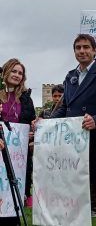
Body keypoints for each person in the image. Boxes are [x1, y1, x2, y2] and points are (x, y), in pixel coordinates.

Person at [48, 34, 96, 218]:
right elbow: (65, 106)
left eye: (86, 47)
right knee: (74, 189)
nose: (82, 51)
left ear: (94, 50)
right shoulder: (70, 76)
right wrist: (47, 122)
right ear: (74, 51)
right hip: (72, 143)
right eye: (78, 48)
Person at [0, 58, 36, 225]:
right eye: (14, 71)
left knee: (12, 197)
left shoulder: (26, 98)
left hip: (17, 156)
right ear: (6, 72)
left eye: (20, 73)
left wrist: (32, 130)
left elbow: (30, 122)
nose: (17, 75)